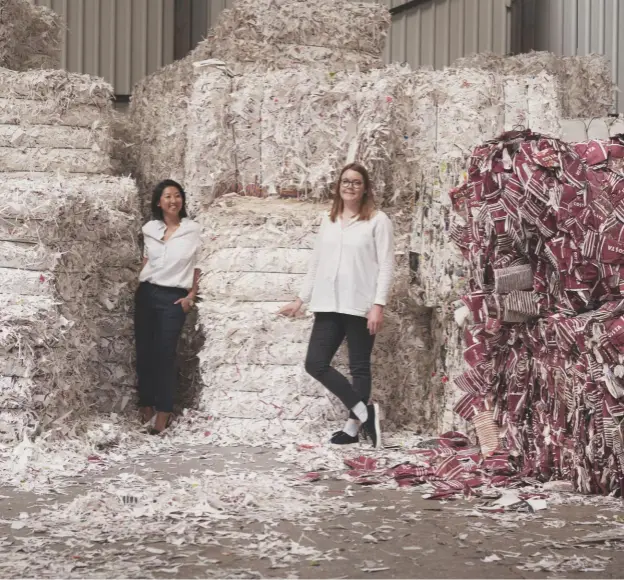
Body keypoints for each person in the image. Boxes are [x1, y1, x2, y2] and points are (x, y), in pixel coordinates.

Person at [279, 163, 394, 448]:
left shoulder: (378, 221)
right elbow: (316, 262)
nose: (350, 186)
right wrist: (301, 299)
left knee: (359, 367)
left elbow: (386, 265)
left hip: (360, 304)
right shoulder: (328, 220)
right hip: (327, 302)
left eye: (356, 182)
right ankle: (364, 412)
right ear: (338, 186)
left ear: (365, 187)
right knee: (315, 363)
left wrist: (378, 304)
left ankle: (353, 428)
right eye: (345, 181)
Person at [134, 179, 201, 435]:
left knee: (165, 355)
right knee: (144, 353)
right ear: (158, 202)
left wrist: (191, 295)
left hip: (174, 297)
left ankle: (164, 409)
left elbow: (199, 264)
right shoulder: (150, 228)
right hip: (147, 293)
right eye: (167, 196)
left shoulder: (193, 230)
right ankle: (146, 404)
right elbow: (145, 261)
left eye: (177, 196)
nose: (173, 201)